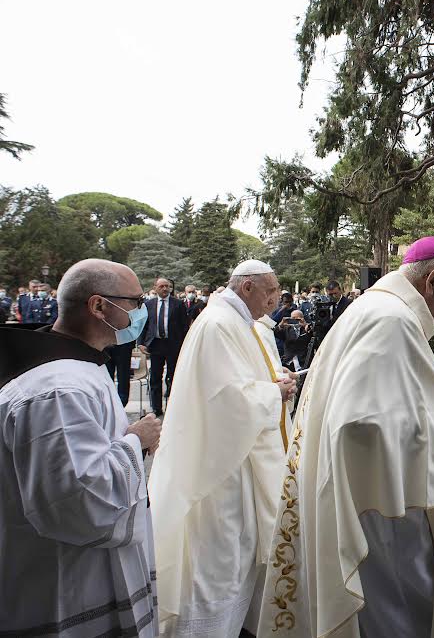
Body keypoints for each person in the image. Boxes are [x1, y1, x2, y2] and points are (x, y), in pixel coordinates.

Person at [257, 237, 434, 637]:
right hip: (382, 506)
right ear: (433, 280)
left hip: (368, 497)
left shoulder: (375, 307)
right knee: (396, 611)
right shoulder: (392, 321)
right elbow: (360, 423)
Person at [0, 258, 161, 636]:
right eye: (136, 302)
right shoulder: (58, 390)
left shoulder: (79, 367)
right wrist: (136, 441)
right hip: (65, 584)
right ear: (99, 306)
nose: (142, 312)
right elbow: (78, 499)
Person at [149, 259, 297, 636]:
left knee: (238, 554)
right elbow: (224, 398)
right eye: (269, 291)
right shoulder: (218, 324)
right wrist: (274, 393)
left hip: (239, 457)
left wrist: (275, 379)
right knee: (220, 557)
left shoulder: (237, 321)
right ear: (247, 287)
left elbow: (242, 376)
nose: (274, 298)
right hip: (221, 467)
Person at [138, 277, 189, 416]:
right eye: (162, 286)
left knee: (173, 377)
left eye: (167, 286)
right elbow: (143, 325)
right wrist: (141, 343)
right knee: (155, 378)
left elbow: (184, 326)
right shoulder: (149, 304)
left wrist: (185, 344)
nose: (165, 289)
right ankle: (156, 408)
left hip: (173, 345)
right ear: (155, 288)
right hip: (155, 345)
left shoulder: (178, 304)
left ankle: (173, 407)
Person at [105, 340, 135, 406]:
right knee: (107, 376)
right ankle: (108, 400)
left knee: (123, 375)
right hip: (105, 345)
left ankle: (122, 402)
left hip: (124, 344)